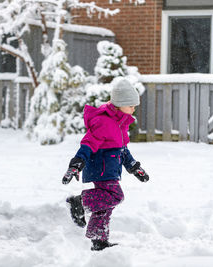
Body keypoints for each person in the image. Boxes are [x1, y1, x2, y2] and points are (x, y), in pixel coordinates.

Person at [62, 78, 149, 251]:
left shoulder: (120, 124)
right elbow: (88, 143)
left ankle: (98, 240)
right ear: (120, 104)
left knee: (105, 206)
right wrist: (77, 162)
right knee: (116, 196)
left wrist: (134, 167)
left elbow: (123, 150)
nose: (133, 109)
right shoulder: (103, 122)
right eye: (131, 105)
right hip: (100, 169)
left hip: (110, 169)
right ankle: (79, 201)